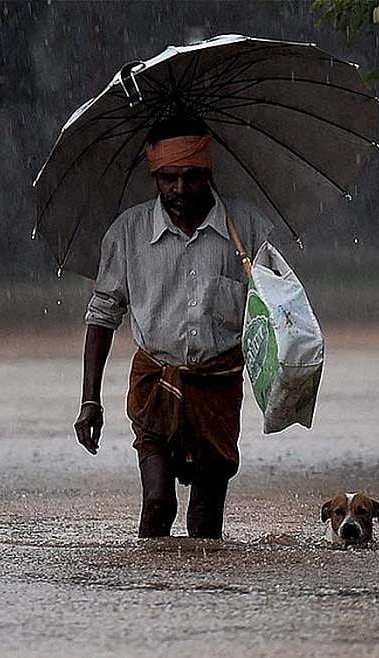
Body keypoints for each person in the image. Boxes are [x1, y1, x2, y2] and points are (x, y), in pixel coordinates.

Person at [74, 117, 273, 540]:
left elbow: (276, 313)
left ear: (208, 173)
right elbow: (102, 316)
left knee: (205, 517)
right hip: (154, 384)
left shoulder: (248, 230)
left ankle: (205, 599)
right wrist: (90, 400)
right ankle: (151, 596)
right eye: (168, 178)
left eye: (191, 177)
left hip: (218, 386)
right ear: (154, 176)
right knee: (158, 501)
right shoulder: (128, 234)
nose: (179, 190)